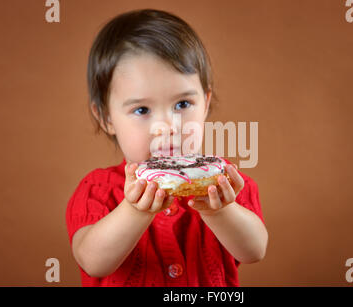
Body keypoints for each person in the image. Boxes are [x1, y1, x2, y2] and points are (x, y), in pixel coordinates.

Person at [65, 8, 268, 287]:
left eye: (182, 104)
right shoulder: (97, 190)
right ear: (107, 118)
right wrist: (135, 211)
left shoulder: (224, 184)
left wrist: (219, 211)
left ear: (205, 103)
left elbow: (255, 249)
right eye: (142, 109)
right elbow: (92, 260)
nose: (167, 126)